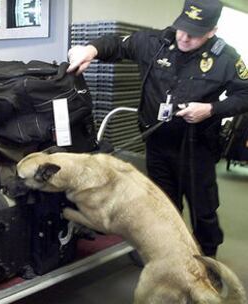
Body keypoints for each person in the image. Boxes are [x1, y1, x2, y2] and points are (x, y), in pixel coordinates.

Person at [67, 0, 248, 258]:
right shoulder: (154, 43)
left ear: (212, 31)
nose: (184, 37)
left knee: (203, 209)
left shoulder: (225, 58)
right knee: (163, 203)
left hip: (197, 148)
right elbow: (117, 44)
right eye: (182, 28)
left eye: (194, 33)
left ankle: (208, 260)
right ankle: (167, 254)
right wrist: (90, 50)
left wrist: (210, 110)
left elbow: (245, 94)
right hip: (157, 144)